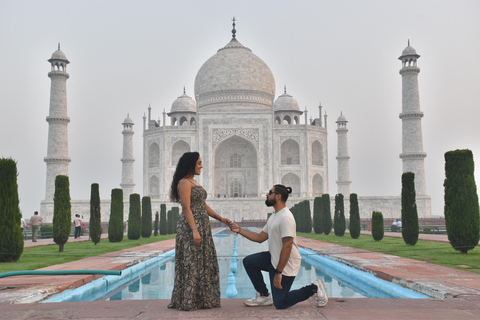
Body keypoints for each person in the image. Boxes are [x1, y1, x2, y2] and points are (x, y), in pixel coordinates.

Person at [228, 185, 328, 309]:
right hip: (274, 258)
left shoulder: (286, 217)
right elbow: (260, 238)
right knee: (249, 262)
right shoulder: (275, 216)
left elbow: (288, 246)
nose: (266, 195)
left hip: (286, 262)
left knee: (280, 303)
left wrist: (278, 272)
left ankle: (314, 288)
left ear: (278, 196)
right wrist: (239, 230)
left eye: (270, 192)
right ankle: (264, 295)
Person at [167, 152, 231, 311]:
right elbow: (187, 208)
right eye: (199, 163)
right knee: (191, 262)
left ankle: (203, 300)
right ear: (190, 164)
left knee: (203, 262)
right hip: (191, 226)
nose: (201, 166)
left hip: (202, 225)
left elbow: (202, 205)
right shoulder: (184, 183)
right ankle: (188, 301)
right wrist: (194, 230)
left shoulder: (193, 182)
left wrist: (220, 218)